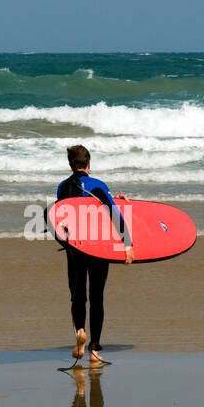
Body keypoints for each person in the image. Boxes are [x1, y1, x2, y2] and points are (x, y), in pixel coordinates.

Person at [57, 144, 133, 367]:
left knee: (77, 294)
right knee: (96, 297)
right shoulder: (98, 185)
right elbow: (113, 214)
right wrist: (127, 245)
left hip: (75, 248)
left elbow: (60, 218)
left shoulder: (62, 187)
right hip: (98, 247)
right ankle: (95, 350)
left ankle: (80, 330)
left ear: (71, 164)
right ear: (89, 164)